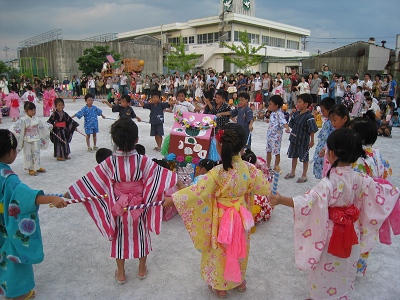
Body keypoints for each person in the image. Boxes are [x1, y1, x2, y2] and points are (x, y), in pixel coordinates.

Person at [270, 128, 400, 300]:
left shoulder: (329, 182)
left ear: (331, 153)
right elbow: (383, 191)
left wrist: (280, 199)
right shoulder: (360, 178)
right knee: (345, 268)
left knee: (325, 268)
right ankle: (338, 295)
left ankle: (320, 296)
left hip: (331, 234)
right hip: (351, 232)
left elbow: (307, 202)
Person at [164, 123, 271, 298]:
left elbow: (197, 192)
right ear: (243, 147)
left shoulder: (216, 173)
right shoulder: (250, 169)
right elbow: (265, 188)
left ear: (219, 145)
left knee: (220, 250)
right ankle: (239, 280)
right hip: (241, 217)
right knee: (239, 247)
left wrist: (173, 199)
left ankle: (221, 286)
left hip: (222, 218)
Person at [66, 118, 178, 285]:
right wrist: (181, 183)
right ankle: (141, 269)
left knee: (119, 238)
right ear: (136, 140)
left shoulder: (110, 162)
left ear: (114, 141)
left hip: (119, 206)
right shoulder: (142, 160)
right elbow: (161, 175)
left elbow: (92, 180)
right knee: (141, 236)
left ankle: (121, 273)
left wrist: (69, 194)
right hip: (139, 206)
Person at [0, 129, 66, 299]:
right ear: (11, 152)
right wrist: (52, 198)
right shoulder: (9, 178)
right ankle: (18, 293)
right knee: (13, 254)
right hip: (4, 224)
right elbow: (24, 197)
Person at [349, 115, 393, 277]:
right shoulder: (376, 154)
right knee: (366, 235)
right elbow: (386, 174)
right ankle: (360, 267)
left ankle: (350, 267)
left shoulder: (358, 158)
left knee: (355, 235)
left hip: (359, 205)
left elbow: (353, 183)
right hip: (374, 203)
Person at [9, 102, 51, 176]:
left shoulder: (36, 119)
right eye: (31, 110)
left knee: (37, 153)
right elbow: (16, 128)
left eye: (34, 110)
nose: (33, 112)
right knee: (28, 154)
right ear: (26, 111)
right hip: (27, 140)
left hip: (36, 138)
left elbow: (43, 125)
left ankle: (37, 166)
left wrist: (49, 126)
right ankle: (30, 168)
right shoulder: (23, 120)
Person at [285, 93, 318, 183]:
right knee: (294, 156)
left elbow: (312, 129)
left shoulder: (309, 116)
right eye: (297, 102)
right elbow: (291, 124)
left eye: (299, 102)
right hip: (294, 139)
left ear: (306, 104)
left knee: (304, 158)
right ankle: (292, 172)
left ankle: (304, 175)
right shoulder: (296, 114)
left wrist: (312, 140)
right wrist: (288, 129)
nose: (297, 104)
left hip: (303, 140)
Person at [265, 95, 290, 172]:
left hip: (276, 137)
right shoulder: (273, 113)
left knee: (276, 152)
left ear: (276, 105)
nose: (269, 106)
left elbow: (284, 121)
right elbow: (275, 122)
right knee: (268, 151)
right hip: (270, 136)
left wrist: (287, 128)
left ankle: (276, 167)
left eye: (270, 104)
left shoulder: (279, 113)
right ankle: (268, 166)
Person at [313, 97, 335, 179]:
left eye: (323, 111)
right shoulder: (328, 121)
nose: (322, 113)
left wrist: (325, 149)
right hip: (322, 150)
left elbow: (328, 138)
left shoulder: (332, 123)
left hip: (326, 152)